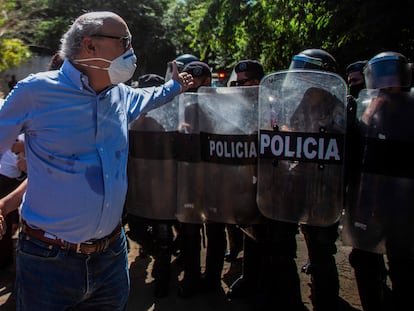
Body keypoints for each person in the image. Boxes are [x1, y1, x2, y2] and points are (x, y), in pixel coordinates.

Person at [0, 11, 193, 311]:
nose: (131, 53)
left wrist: (176, 86)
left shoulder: (121, 96)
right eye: (124, 42)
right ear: (89, 46)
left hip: (111, 259)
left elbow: (152, 96)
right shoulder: (34, 92)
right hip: (47, 260)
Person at [345, 51, 413, 311]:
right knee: (363, 262)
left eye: (392, 77)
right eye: (381, 78)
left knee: (405, 267)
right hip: (370, 203)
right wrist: (368, 114)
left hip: (405, 207)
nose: (387, 84)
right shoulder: (365, 111)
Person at [175, 60, 229, 298]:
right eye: (190, 79)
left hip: (216, 174)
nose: (193, 83)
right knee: (189, 229)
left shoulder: (222, 102)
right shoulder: (181, 101)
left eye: (198, 79)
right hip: (190, 173)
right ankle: (192, 277)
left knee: (216, 228)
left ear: (207, 79)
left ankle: (213, 278)